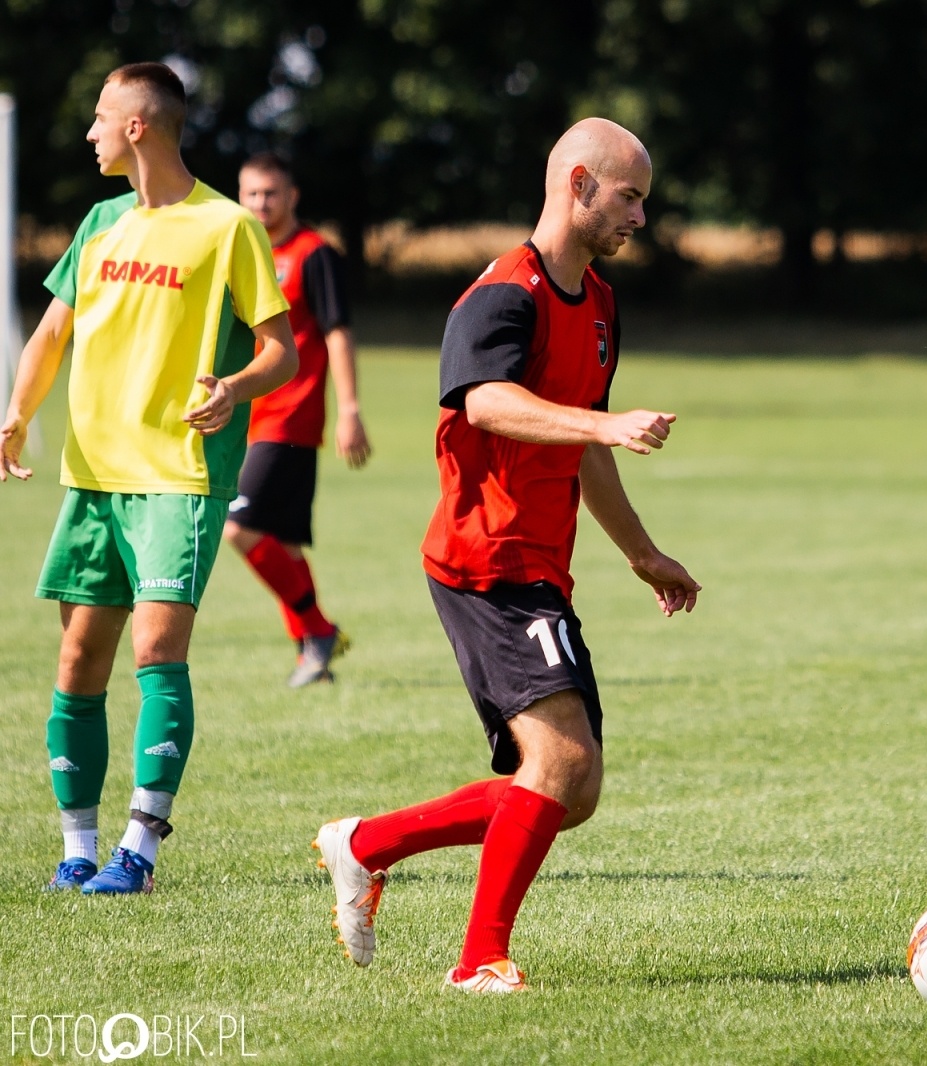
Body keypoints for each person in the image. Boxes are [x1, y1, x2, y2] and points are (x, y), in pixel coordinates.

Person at [312, 118, 700, 992]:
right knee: (558, 766)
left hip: (537, 566)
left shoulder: (598, 302)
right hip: (484, 561)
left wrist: (642, 553)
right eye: (630, 195)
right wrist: (603, 420)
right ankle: (478, 959)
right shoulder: (502, 294)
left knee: (574, 788)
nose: (642, 213)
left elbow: (582, 447)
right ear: (578, 184)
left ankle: (366, 844)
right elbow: (486, 401)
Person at [0, 63, 296, 893]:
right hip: (93, 478)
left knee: (157, 649)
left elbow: (283, 351)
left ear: (138, 126)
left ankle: (139, 849)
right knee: (76, 664)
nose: (90, 131)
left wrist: (233, 389)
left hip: (178, 477)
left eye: (100, 116)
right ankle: (78, 849)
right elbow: (52, 333)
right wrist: (17, 413)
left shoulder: (227, 227)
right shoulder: (99, 223)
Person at [227, 152, 371, 687]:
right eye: (251, 194)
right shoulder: (244, 253)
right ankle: (311, 653)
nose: (261, 203)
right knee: (281, 542)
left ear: (292, 197)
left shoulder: (314, 255)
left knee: (238, 529)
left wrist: (349, 411)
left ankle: (317, 628)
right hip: (246, 414)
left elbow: (337, 332)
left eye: (271, 193)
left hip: (290, 418)